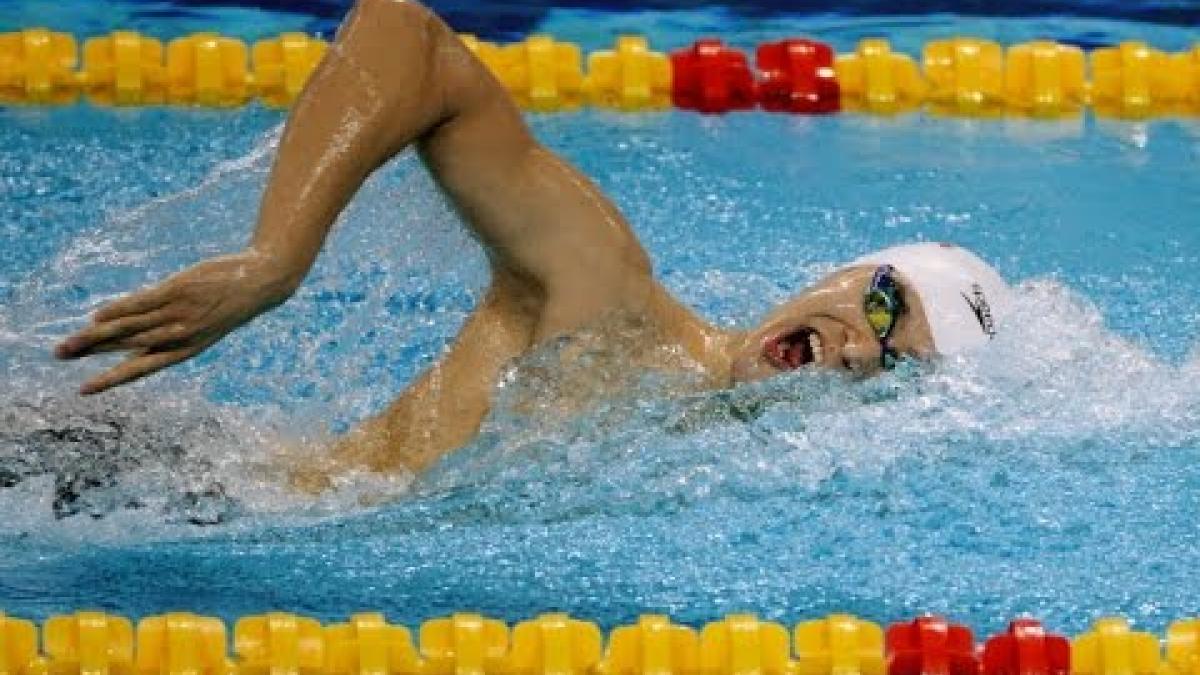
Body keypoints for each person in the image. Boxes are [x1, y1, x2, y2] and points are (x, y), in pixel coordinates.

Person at [54, 0, 1011, 478]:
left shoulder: (705, 477)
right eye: (884, 304)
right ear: (839, 272)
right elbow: (409, 38)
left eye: (894, 367)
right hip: (149, 475)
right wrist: (276, 260)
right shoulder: (613, 301)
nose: (857, 349)